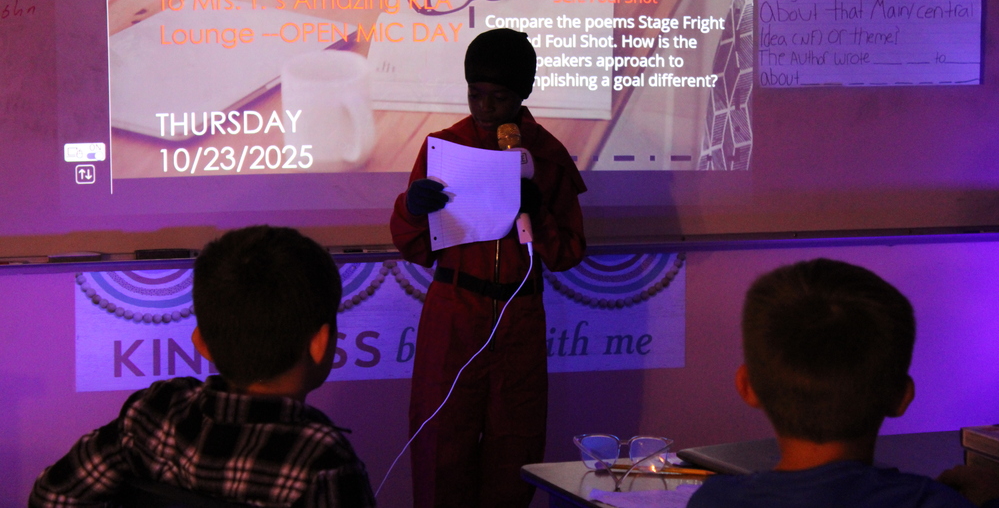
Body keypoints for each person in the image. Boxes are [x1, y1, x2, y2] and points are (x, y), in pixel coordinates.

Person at [30, 225, 375, 508]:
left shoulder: (156, 412)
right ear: (320, 343)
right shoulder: (322, 461)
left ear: (201, 344)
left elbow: (53, 496)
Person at [390, 28, 587, 508]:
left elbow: (567, 254)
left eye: (498, 97)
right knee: (441, 447)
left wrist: (536, 206)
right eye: (476, 95)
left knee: (513, 450)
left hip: (519, 316)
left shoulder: (548, 155)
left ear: (522, 95)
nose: (485, 108)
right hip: (455, 308)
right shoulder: (444, 147)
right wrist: (413, 207)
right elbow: (413, 246)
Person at [689, 258, 999, 508]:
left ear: (747, 386)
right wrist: (996, 501)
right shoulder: (933, 503)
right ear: (902, 396)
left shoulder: (715, 501)